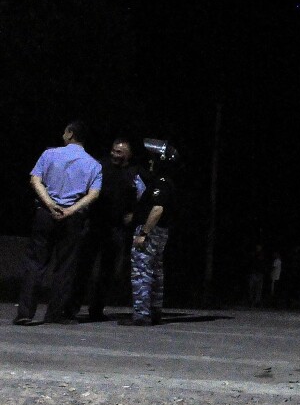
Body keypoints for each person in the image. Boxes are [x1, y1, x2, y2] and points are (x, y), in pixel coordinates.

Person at [14, 121, 103, 326]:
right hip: (73, 217)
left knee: (36, 262)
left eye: (65, 131)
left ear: (70, 134)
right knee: (66, 266)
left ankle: (25, 313)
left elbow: (35, 180)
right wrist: (71, 209)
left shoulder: (49, 154)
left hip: (46, 214)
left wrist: (50, 203)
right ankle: (55, 313)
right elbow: (94, 193)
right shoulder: (93, 164)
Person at [74, 137, 141, 321]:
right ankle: (71, 307)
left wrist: (133, 215)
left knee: (107, 271)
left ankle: (96, 310)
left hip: (116, 228)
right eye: (113, 150)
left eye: (119, 152)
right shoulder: (100, 167)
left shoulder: (134, 173)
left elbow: (141, 198)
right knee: (83, 267)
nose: (114, 154)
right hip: (95, 224)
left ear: (128, 155)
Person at [124, 138, 178, 326]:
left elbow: (157, 209)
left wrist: (144, 233)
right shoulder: (167, 181)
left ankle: (141, 314)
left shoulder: (161, 182)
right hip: (161, 232)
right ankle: (154, 310)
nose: (150, 161)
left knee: (141, 272)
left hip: (151, 232)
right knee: (156, 272)